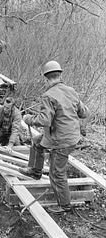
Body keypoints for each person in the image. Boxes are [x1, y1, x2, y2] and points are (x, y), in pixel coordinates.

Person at [19, 61, 89, 213]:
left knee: (56, 173)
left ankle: (64, 205)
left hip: (61, 141)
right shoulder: (71, 91)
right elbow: (84, 113)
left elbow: (45, 120)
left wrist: (29, 119)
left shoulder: (48, 95)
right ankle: (36, 171)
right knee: (38, 142)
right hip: (70, 136)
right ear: (60, 75)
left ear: (46, 78)